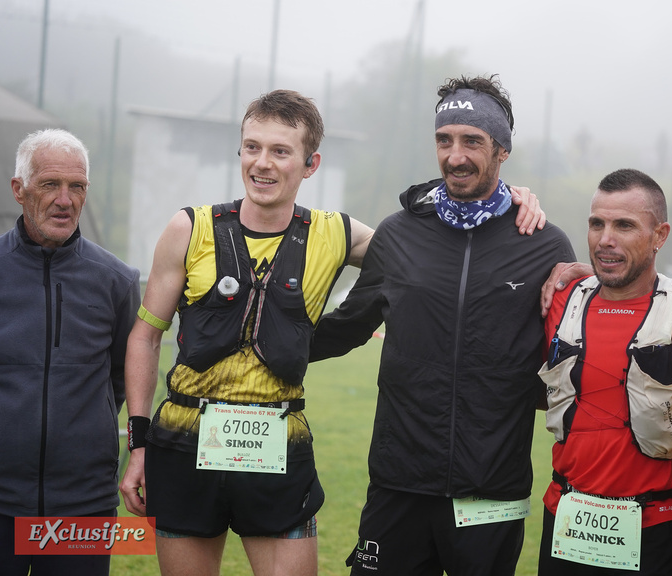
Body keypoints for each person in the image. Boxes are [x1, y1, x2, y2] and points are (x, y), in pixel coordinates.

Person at [118, 88, 545, 576]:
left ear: (310, 164)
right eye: (252, 147)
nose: (262, 163)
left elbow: (425, 239)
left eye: (281, 151)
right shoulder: (189, 227)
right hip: (184, 440)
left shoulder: (336, 233)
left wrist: (504, 197)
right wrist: (138, 442)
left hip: (278, 446)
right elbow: (145, 337)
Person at [309, 74, 577, 576]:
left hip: (492, 489)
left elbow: (568, 357)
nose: (455, 156)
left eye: (472, 141)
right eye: (444, 140)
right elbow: (347, 326)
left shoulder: (544, 244)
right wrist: (258, 342)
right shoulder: (398, 234)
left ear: (502, 149)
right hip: (398, 483)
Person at [537, 168, 672, 575]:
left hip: (657, 530)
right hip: (566, 523)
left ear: (659, 235)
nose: (605, 239)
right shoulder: (561, 299)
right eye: (596, 224)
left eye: (624, 225)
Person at [0, 129, 141, 575]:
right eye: (50, 184)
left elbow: (120, 377)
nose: (65, 200)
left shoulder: (117, 281)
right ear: (19, 189)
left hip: (82, 504)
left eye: (78, 186)